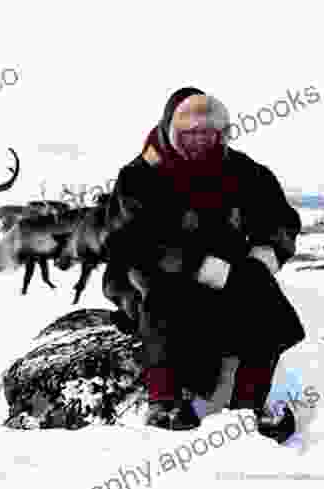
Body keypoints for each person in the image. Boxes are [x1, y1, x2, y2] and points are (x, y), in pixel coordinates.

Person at [104, 87, 305, 443]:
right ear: (171, 130)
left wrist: (265, 254)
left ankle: (248, 406)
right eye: (190, 132)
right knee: (162, 295)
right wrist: (200, 266)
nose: (200, 139)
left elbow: (281, 220)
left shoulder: (243, 171)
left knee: (267, 305)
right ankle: (163, 403)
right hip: (146, 275)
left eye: (208, 131)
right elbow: (134, 243)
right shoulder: (139, 176)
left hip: (225, 273)